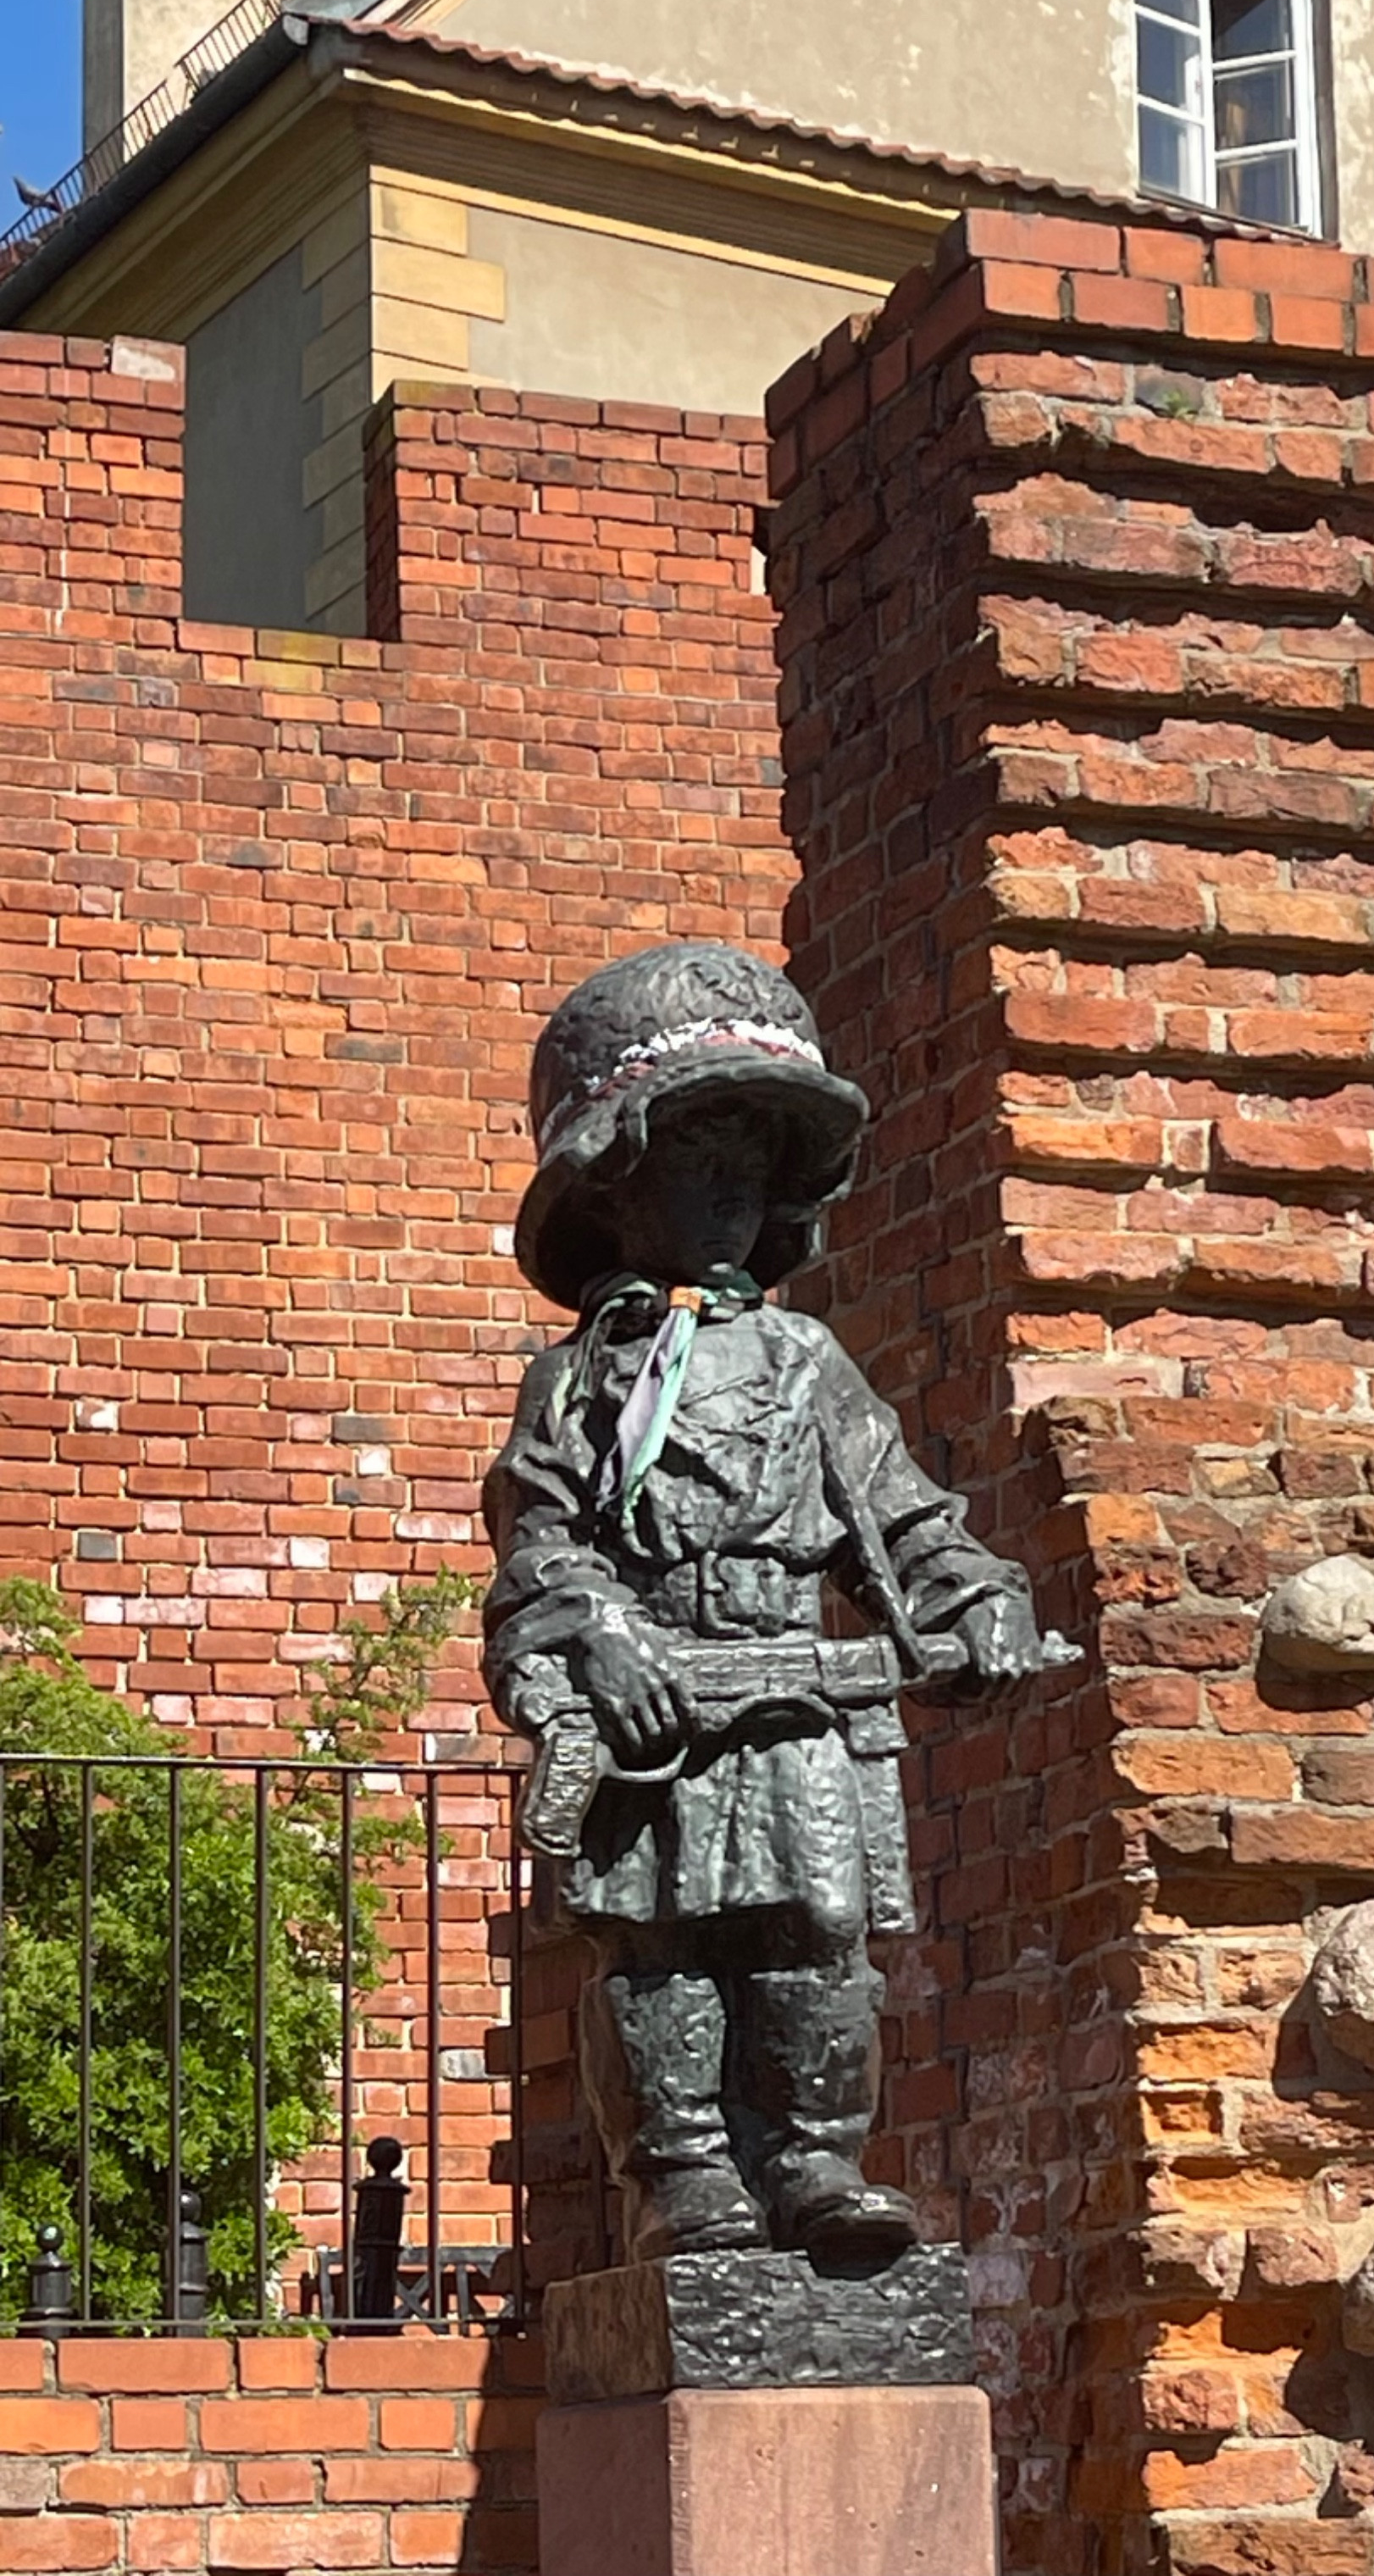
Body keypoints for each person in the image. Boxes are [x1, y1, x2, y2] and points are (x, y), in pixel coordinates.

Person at [482, 941, 1047, 2262]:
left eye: (756, 1168)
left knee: (815, 1939)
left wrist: (979, 1605)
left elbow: (906, 1525)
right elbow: (538, 1559)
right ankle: (685, 2176)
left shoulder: (806, 1363)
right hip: (650, 1725)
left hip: (796, 1708)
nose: (733, 1196)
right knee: (661, 1950)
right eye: (700, 1161)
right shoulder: (572, 1388)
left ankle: (812, 2167)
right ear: (617, 1180)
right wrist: (601, 1638)